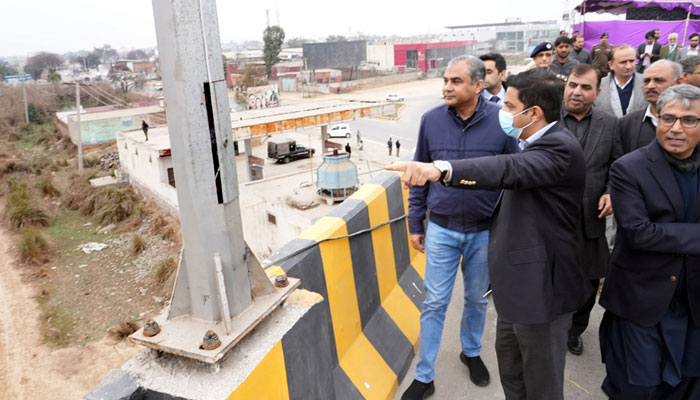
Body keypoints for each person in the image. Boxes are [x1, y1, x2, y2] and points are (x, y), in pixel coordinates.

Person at [388, 68, 590, 400]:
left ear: (533, 113)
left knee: (541, 384)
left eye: (509, 107)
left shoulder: (559, 148)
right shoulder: (531, 140)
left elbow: (506, 169)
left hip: (542, 291)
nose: (503, 113)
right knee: (512, 372)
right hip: (516, 286)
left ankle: (471, 352)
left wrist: (443, 169)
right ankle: (427, 374)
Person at [398, 55, 519, 400]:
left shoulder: (503, 122)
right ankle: (424, 375)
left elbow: (516, 174)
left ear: (478, 85)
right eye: (445, 80)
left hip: (484, 231)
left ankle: (471, 351)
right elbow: (419, 174)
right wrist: (414, 223)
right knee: (434, 302)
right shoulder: (431, 121)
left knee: (476, 300)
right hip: (442, 229)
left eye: (456, 81)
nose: (446, 87)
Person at [599, 84, 700, 399]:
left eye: (689, 120)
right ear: (656, 118)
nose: (676, 129)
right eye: (667, 118)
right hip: (641, 301)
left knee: (688, 384)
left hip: (693, 303)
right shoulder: (629, 168)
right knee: (638, 387)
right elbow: (639, 233)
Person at [560, 63, 622, 356]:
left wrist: (611, 191)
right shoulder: (546, 118)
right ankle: (552, 329)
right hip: (552, 219)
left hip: (590, 220)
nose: (577, 92)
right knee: (551, 277)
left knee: (589, 280)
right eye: (573, 84)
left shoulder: (609, 124)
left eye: (586, 87)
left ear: (597, 92)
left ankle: (575, 330)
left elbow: (617, 165)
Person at [619, 59, 682, 154]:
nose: (650, 86)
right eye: (646, 81)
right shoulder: (627, 123)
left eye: (659, 80)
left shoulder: (694, 121)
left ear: (679, 83)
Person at [595, 44, 647, 117]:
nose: (628, 66)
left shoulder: (647, 83)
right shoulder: (598, 85)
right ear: (611, 65)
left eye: (632, 61)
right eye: (623, 62)